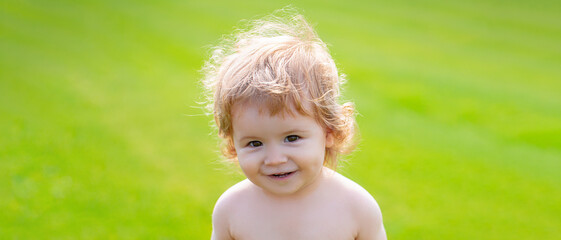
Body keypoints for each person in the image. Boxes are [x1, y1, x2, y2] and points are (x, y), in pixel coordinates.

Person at [201, 10, 386, 240]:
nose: (275, 159)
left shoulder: (356, 208)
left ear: (329, 131)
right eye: (255, 143)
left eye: (291, 138)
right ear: (232, 146)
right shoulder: (231, 210)